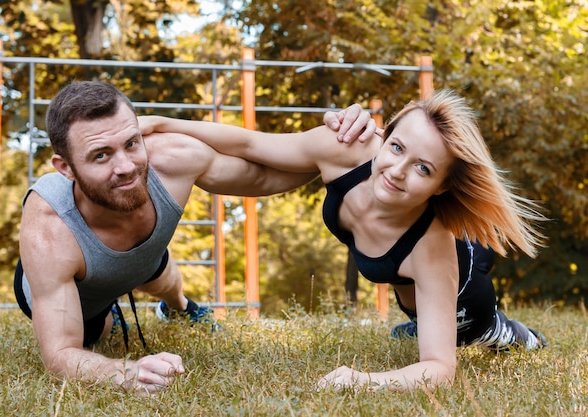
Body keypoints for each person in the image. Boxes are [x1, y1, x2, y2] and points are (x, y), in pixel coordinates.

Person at [138, 89, 548, 391]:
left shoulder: (432, 248)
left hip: (463, 284)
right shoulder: (348, 149)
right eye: (397, 147)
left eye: (423, 168)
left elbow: (440, 368)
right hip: (417, 295)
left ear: (441, 186)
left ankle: (512, 332)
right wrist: (159, 124)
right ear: (384, 136)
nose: (397, 171)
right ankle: (419, 325)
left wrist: (363, 380)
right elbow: (249, 143)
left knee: (476, 331)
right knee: (418, 323)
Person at [13, 80, 376, 394]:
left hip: (146, 261)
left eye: (131, 143)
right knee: (98, 334)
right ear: (66, 168)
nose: (125, 168)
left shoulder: (171, 158)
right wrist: (124, 372)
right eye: (100, 155)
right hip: (84, 289)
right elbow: (60, 354)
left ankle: (181, 308)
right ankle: (111, 315)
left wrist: (338, 143)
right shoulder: (49, 229)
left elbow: (266, 176)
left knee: (164, 276)